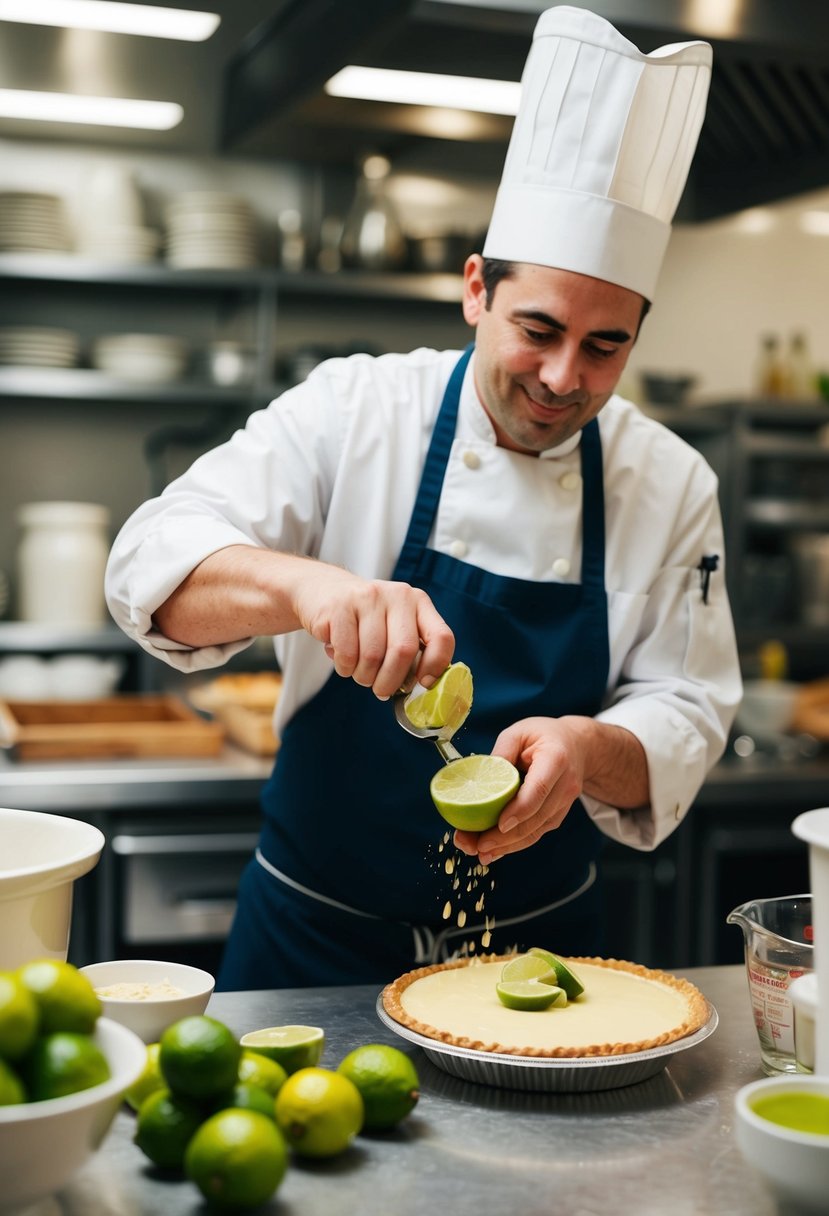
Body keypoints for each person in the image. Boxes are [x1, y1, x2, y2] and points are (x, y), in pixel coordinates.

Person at [105, 6, 741, 989]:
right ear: (475, 288)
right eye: (537, 327)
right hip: (312, 945)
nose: (565, 377)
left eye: (606, 344)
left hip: (545, 954)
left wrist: (588, 748)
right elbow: (154, 562)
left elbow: (689, 708)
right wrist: (307, 590)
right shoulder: (357, 407)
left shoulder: (670, 481)